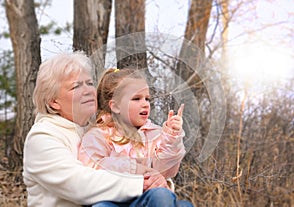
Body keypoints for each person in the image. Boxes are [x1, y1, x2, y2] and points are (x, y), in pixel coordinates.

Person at [23, 52, 176, 207]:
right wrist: (142, 182)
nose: (88, 90)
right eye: (76, 86)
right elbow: (78, 184)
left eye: (89, 83)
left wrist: (158, 180)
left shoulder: (97, 130)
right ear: (54, 101)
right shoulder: (42, 137)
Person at [78, 68, 193, 207]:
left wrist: (171, 137)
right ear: (115, 106)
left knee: (178, 202)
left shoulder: (154, 134)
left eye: (147, 99)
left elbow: (166, 170)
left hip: (148, 199)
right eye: (136, 99)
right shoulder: (98, 135)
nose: (145, 104)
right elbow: (92, 168)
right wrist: (134, 170)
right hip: (113, 200)